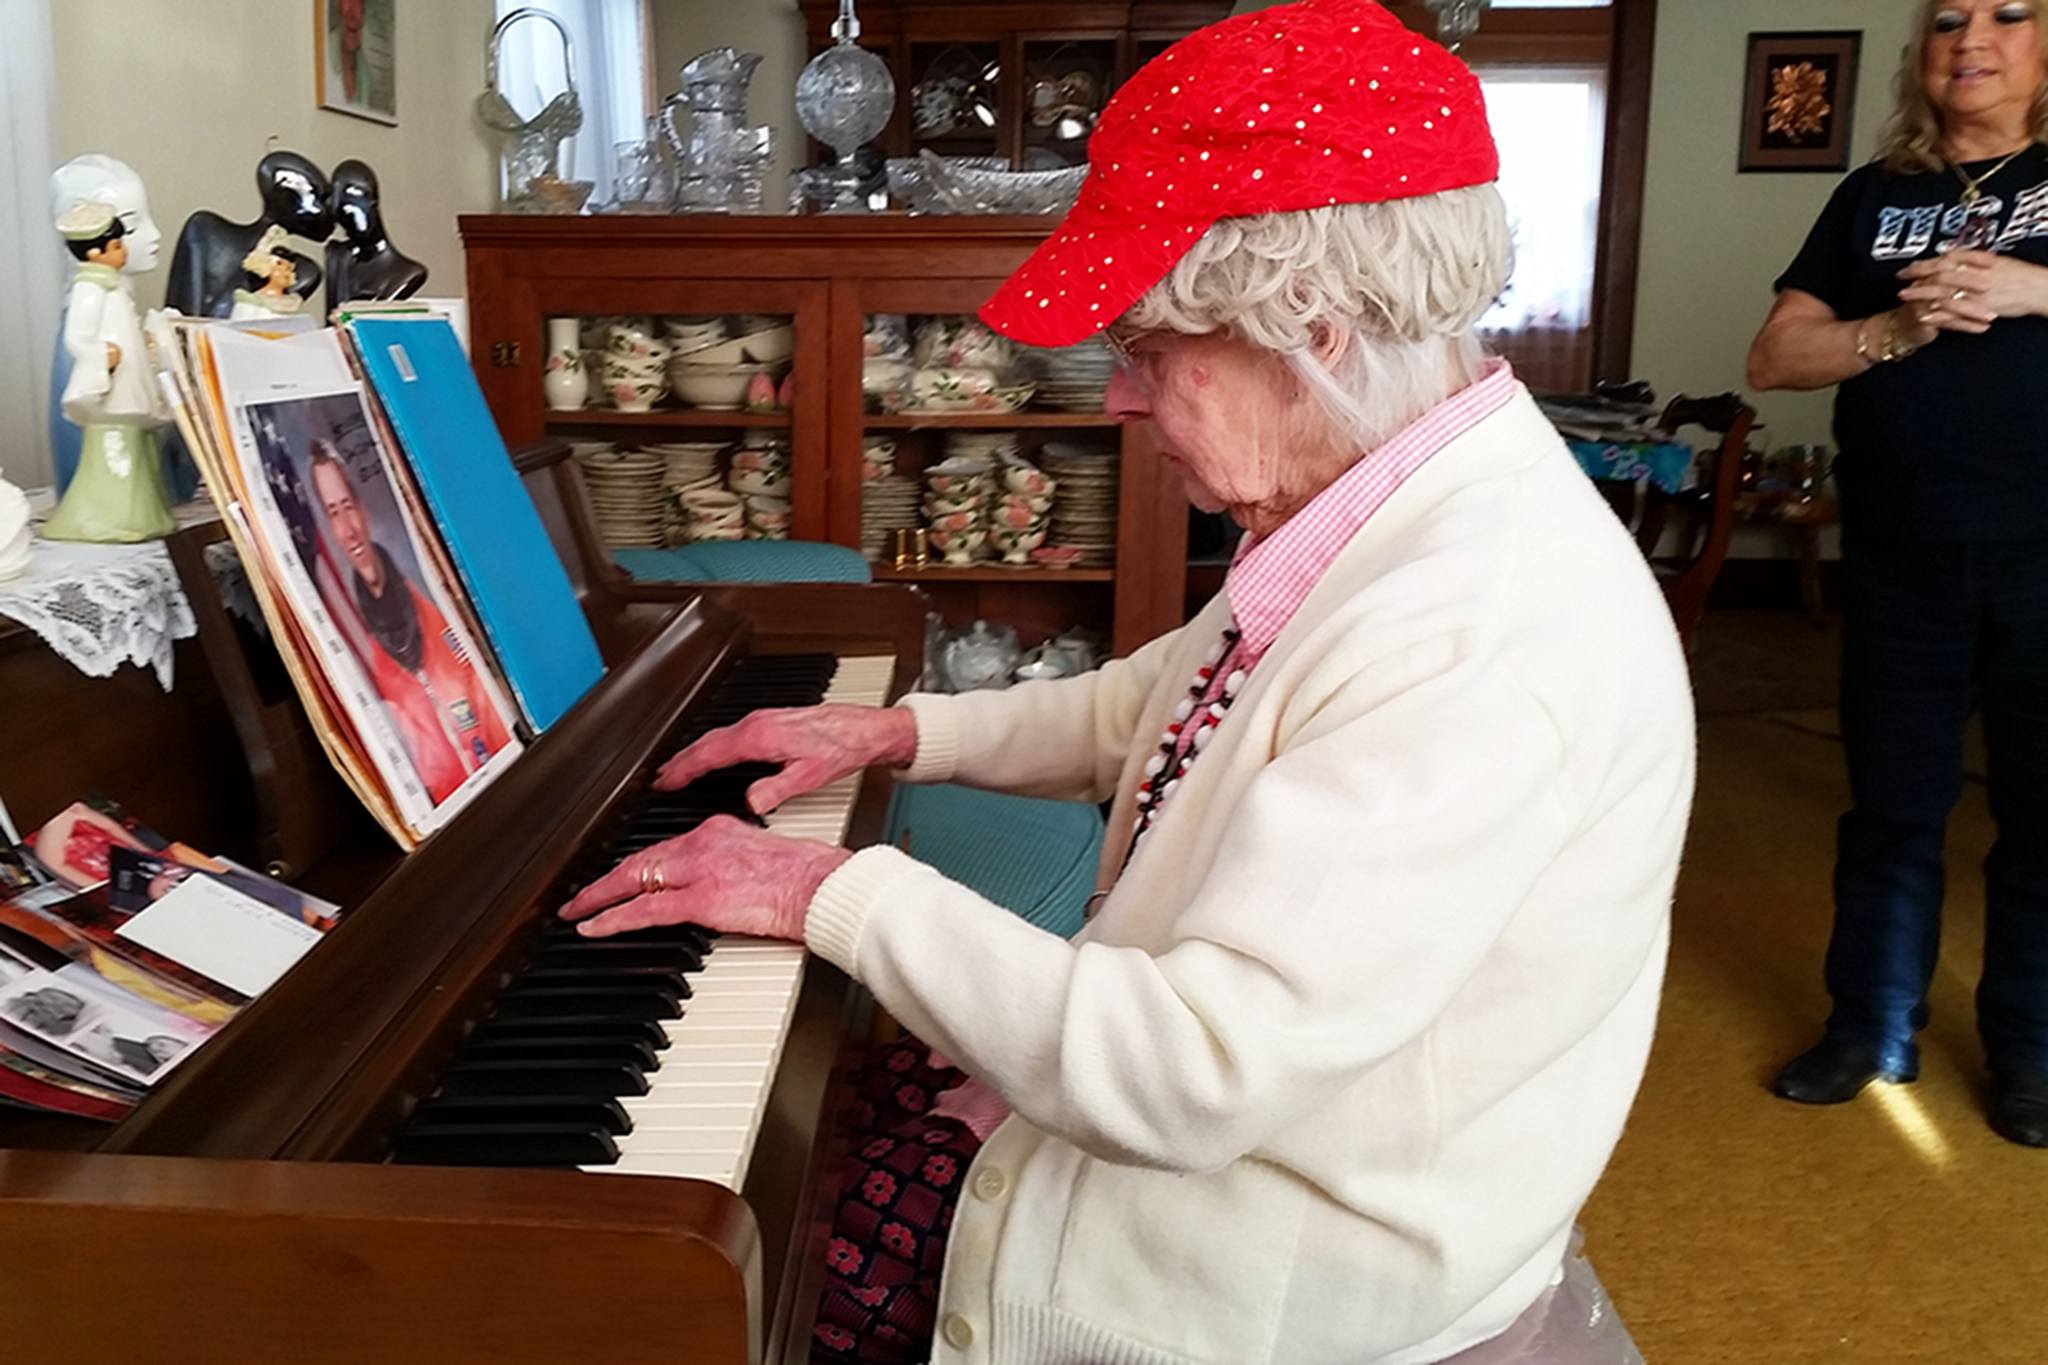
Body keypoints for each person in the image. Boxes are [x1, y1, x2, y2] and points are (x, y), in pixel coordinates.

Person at [566, 2, 1694, 1361]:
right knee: (810, 1121)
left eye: (1150, 351)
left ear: (1313, 329)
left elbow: (1191, 1071)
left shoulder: (1476, 637)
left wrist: (824, 891)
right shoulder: (1388, 503)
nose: (1118, 398)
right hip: (1243, 1131)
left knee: (715, 1277)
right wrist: (900, 730)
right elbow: (1163, 700)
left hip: (1261, 1264)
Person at [1747, 0, 2048, 1148]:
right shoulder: (1870, 196)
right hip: (1900, 553)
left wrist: (2028, 289)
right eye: (1946, 19)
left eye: (2008, 13)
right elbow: (1773, 354)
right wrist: (1889, 331)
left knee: (2040, 813)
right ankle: (1867, 1027)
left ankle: (2029, 1052)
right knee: (1890, 805)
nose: (1971, 37)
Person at [307, 444, 512, 801]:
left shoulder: (435, 608)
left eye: (348, 507)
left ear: (363, 511)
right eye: (334, 514)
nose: (348, 529)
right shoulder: (368, 658)